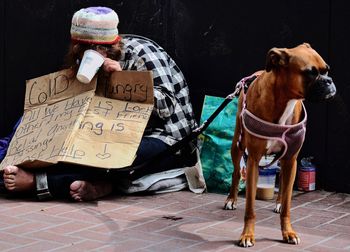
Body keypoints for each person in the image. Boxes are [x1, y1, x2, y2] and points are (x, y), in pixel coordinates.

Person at [0, 6, 198, 201]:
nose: (95, 54)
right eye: (84, 49)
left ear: (113, 45)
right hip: (113, 129)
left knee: (114, 154)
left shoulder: (142, 52)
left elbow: (166, 107)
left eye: (101, 49)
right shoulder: (81, 62)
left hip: (165, 137)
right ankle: (101, 186)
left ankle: (38, 183)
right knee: (73, 147)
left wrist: (123, 79)